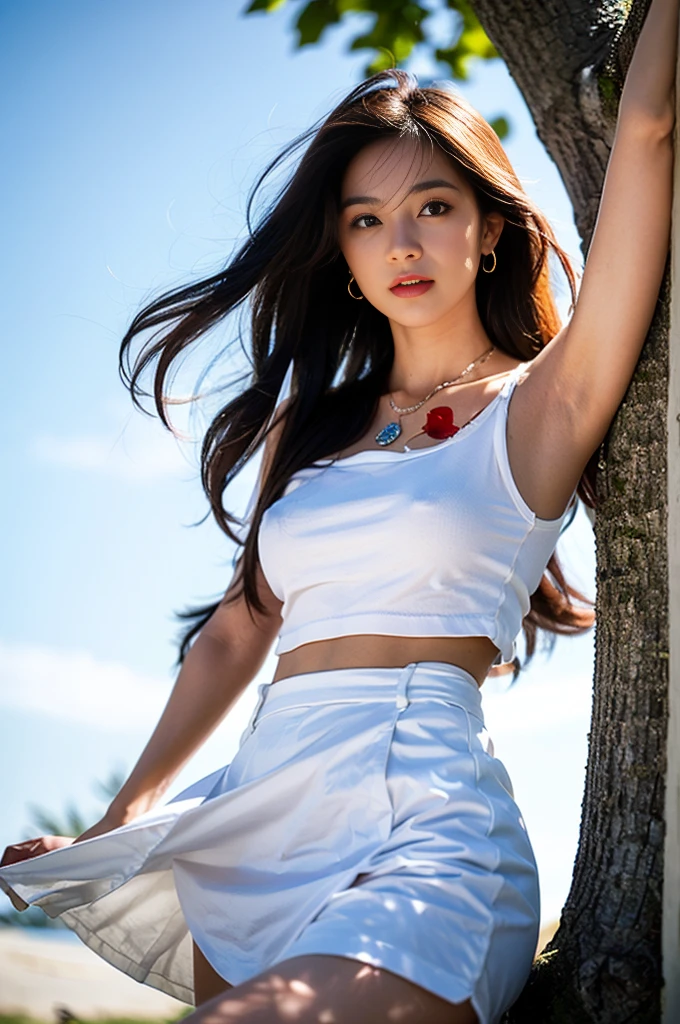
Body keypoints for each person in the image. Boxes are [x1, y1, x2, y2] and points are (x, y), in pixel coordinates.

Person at [0, 0, 676, 1017]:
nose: (398, 242)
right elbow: (237, 632)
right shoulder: (307, 426)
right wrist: (126, 809)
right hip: (259, 811)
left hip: (421, 825)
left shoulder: (542, 403)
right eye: (365, 219)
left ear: (489, 230)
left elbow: (645, 128)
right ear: (343, 255)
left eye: (432, 207)